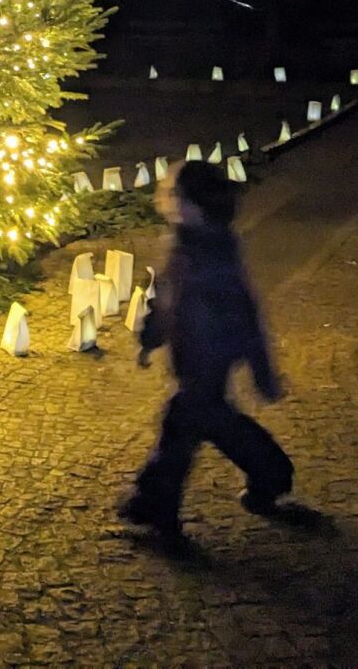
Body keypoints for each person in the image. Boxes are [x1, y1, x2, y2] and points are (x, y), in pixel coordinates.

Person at [118, 158, 293, 537]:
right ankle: (272, 475)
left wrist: (263, 372)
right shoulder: (187, 246)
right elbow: (165, 302)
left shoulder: (212, 254)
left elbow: (245, 313)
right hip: (196, 358)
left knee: (182, 425)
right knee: (215, 424)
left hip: (208, 359)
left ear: (193, 205)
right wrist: (151, 339)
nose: (168, 201)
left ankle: (155, 506)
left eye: (175, 195)